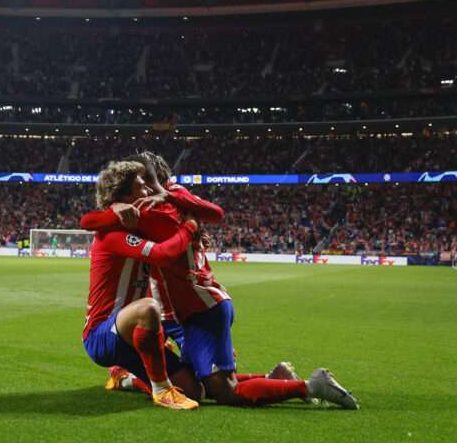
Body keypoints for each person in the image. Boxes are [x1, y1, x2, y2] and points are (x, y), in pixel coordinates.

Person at [83, 152, 359, 409]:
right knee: (196, 385)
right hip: (184, 311)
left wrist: (187, 226)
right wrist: (116, 205)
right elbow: (214, 213)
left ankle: (309, 386)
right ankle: (275, 377)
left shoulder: (160, 212)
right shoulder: (177, 200)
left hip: (198, 308)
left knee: (223, 390)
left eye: (147, 182)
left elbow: (144, 243)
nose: (145, 191)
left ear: (158, 182)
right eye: (139, 185)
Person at [84, 160, 201, 411]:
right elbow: (162, 254)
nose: (148, 191)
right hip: (103, 335)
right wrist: (190, 227)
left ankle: (126, 378)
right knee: (148, 308)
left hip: (132, 334)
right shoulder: (112, 234)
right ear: (125, 195)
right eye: (141, 187)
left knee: (194, 389)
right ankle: (161, 391)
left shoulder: (139, 226)